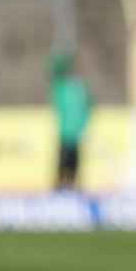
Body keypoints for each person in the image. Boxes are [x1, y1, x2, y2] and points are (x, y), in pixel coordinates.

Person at [47, 50, 93, 190]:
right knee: (62, 168)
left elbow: (88, 107)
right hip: (65, 135)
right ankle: (59, 192)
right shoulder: (61, 88)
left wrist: (84, 126)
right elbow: (53, 70)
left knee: (75, 169)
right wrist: (65, 57)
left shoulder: (80, 89)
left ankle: (72, 192)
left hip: (76, 136)